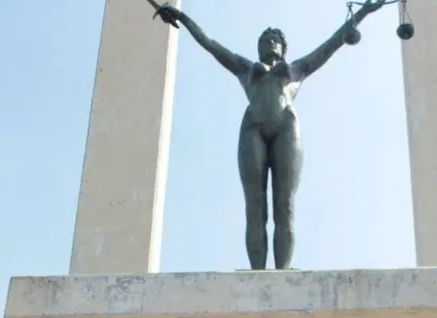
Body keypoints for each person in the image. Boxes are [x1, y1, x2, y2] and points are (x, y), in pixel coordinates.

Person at [152, 0, 387, 270]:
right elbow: (210, 44)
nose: (271, 41)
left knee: (284, 205)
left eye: (276, 38)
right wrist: (182, 16)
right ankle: (257, 274)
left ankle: (283, 274)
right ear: (258, 47)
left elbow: (332, 43)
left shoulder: (297, 69)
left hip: (286, 126)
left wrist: (362, 13)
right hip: (252, 128)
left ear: (284, 48)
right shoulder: (245, 68)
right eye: (266, 38)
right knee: (254, 206)